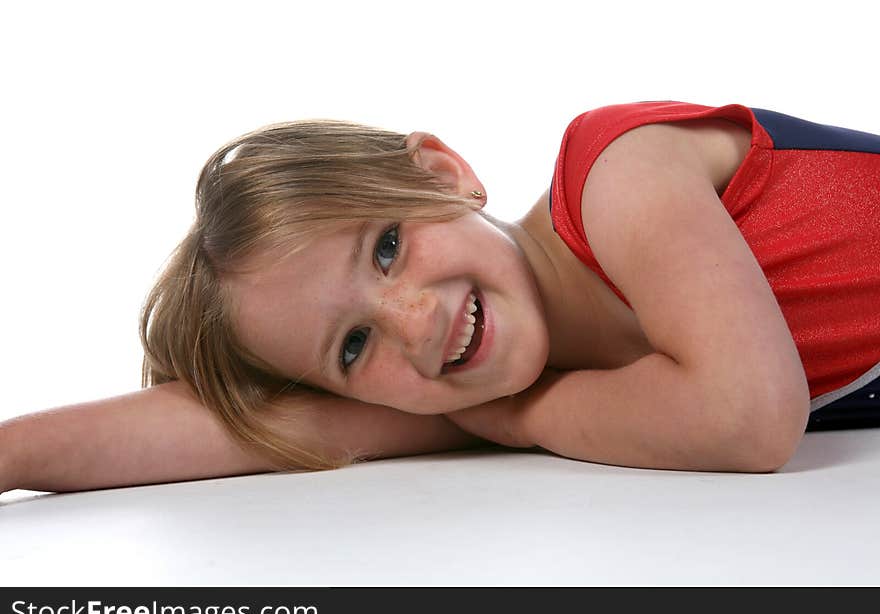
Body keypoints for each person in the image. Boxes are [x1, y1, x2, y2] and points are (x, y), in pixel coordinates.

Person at [2, 101, 879, 494]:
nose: (416, 323)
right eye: (351, 347)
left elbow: (750, 418)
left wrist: (534, 418)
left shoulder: (618, 173)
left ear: (443, 172)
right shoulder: (475, 382)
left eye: (387, 247)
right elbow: (234, 427)